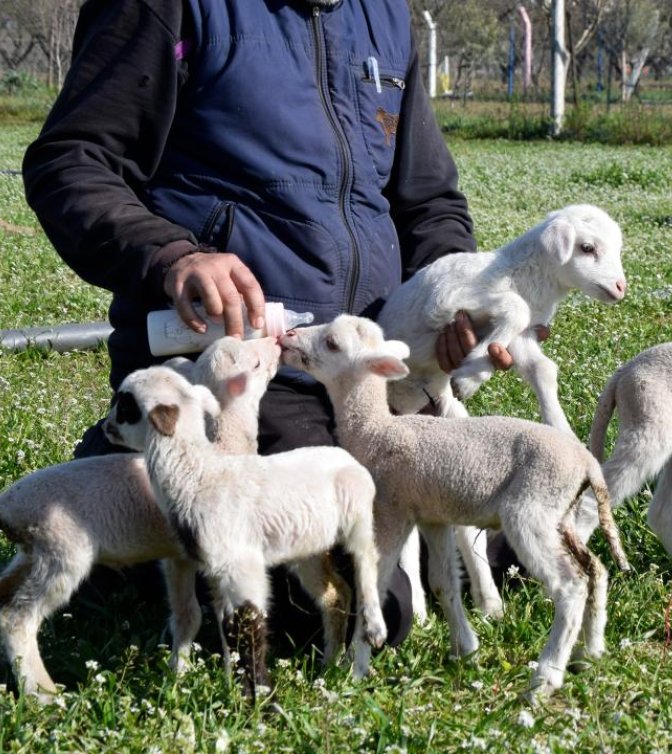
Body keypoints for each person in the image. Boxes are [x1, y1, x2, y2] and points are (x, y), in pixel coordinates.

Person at [22, 0, 500, 650]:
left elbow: (428, 200)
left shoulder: (386, 14)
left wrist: (458, 293)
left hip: (367, 374)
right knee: (346, 607)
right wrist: (174, 257)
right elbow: (71, 162)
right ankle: (136, 492)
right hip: (241, 374)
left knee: (526, 524)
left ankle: (140, 502)